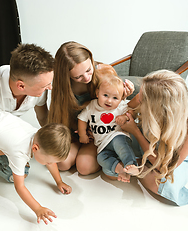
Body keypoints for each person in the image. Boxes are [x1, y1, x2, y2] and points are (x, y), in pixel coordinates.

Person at [119, 69, 188, 206]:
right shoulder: (146, 92)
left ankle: (139, 167)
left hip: (169, 157)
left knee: (164, 186)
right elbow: (127, 109)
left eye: (143, 98)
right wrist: (127, 116)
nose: (139, 98)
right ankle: (140, 164)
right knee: (114, 137)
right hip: (147, 139)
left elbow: (166, 167)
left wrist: (135, 131)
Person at [47, 41, 134, 175]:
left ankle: (109, 159)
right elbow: (58, 117)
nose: (87, 77)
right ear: (66, 76)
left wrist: (125, 95)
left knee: (84, 168)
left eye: (89, 70)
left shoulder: (105, 71)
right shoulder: (61, 86)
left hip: (100, 133)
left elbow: (115, 103)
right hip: (76, 132)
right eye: (78, 76)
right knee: (62, 163)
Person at [77, 75, 139, 183]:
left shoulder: (120, 106)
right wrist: (82, 135)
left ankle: (131, 164)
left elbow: (132, 112)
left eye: (115, 98)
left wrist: (125, 117)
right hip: (102, 145)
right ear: (97, 93)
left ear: (121, 99)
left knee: (121, 146)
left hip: (116, 136)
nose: (109, 101)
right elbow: (82, 119)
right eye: (105, 95)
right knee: (101, 158)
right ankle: (120, 169)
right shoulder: (92, 106)